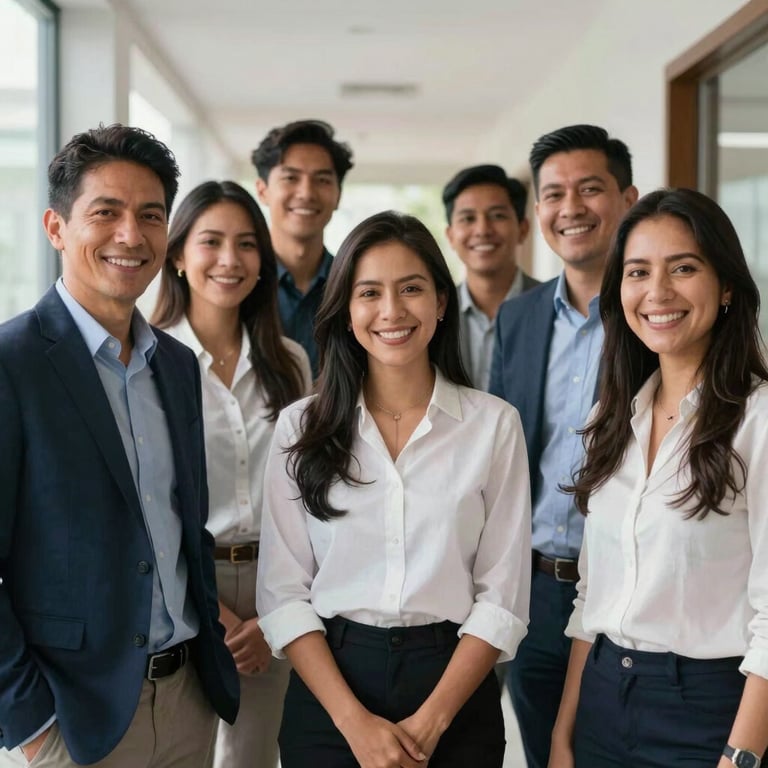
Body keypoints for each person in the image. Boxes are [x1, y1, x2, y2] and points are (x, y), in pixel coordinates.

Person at [256, 210, 532, 768]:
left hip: (454, 686)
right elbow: (284, 594)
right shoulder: (300, 428)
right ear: (346, 309)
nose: (391, 311)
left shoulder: (493, 425)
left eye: (411, 288)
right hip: (332, 687)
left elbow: (502, 597)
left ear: (441, 301)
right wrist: (355, 725)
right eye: (369, 292)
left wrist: (430, 724)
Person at [0, 125, 238, 767]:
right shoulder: (11, 363)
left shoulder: (180, 366)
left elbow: (187, 529)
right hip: (76, 719)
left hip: (189, 699)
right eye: (105, 213)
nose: (131, 236)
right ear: (56, 227)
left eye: (151, 216)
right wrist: (30, 723)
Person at [549, 188, 768, 768]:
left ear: (725, 287)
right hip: (601, 703)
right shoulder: (611, 420)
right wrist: (563, 737)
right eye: (638, 272)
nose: (658, 292)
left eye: (684, 268)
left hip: (709, 712)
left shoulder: (760, 421)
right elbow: (591, 596)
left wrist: (740, 757)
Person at [489, 124, 638, 768]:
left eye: (590, 189)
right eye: (553, 194)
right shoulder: (516, 318)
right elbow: (500, 458)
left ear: (628, 200)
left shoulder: (653, 311)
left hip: (629, 582)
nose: (570, 208)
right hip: (538, 588)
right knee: (545, 750)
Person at [151, 181, 312, 767]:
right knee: (185, 751)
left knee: (252, 757)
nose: (229, 260)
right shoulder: (147, 358)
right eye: (211, 242)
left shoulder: (290, 361)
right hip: (183, 585)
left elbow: (307, 494)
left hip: (278, 581)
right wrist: (216, 615)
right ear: (177, 254)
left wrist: (274, 613)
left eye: (247, 245)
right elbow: (151, 503)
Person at [252, 119, 354, 377]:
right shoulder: (238, 283)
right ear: (263, 191)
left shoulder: (355, 285)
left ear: (339, 194)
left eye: (322, 179)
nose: (306, 193)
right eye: (290, 178)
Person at [443, 164, 539, 390]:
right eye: (467, 218)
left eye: (497, 215)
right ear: (450, 236)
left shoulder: (555, 308)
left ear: (523, 229)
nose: (483, 229)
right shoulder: (436, 312)